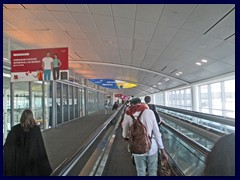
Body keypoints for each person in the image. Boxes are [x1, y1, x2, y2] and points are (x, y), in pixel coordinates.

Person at [122, 98, 168, 176]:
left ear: (132, 104)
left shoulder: (128, 114)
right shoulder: (150, 112)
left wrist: (127, 137)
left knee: (140, 171)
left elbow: (124, 134)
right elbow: (157, 133)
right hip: (151, 147)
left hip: (137, 148)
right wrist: (162, 150)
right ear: (140, 103)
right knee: (153, 170)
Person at [3, 109, 52, 176]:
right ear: (31, 117)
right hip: (32, 163)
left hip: (18, 163)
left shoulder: (15, 129)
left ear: (22, 117)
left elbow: (8, 147)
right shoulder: (36, 130)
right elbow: (40, 147)